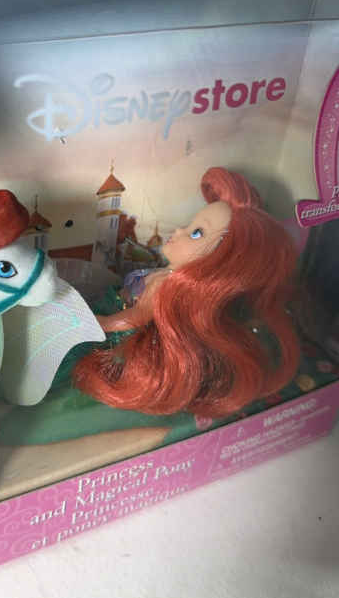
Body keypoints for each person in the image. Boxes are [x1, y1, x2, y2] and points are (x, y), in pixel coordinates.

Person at [73, 167, 300, 418]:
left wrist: (102, 323)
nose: (179, 231)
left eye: (196, 233)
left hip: (119, 326)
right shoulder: (167, 279)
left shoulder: (166, 286)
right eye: (190, 226)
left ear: (218, 263)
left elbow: (136, 317)